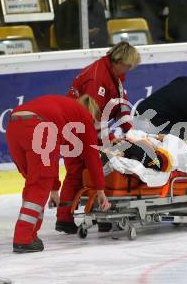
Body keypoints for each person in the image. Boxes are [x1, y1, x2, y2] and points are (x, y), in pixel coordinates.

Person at [6, 95, 111, 253]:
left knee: (35, 184)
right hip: (39, 127)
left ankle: (30, 233)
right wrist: (100, 190)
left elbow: (51, 157)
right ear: (94, 116)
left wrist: (54, 189)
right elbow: (92, 157)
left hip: (14, 126)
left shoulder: (65, 108)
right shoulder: (84, 117)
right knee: (39, 185)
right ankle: (23, 238)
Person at [55, 41, 140, 234]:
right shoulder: (96, 79)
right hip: (75, 130)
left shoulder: (114, 75)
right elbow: (92, 116)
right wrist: (109, 138)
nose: (129, 70)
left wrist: (131, 132)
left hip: (85, 128)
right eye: (128, 65)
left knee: (99, 169)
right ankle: (64, 218)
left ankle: (102, 214)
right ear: (119, 61)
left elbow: (121, 106)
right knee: (77, 172)